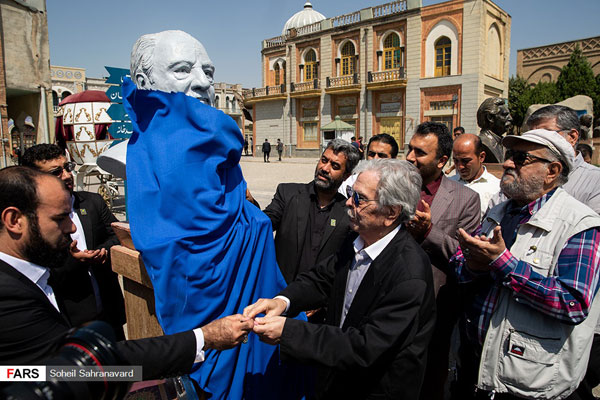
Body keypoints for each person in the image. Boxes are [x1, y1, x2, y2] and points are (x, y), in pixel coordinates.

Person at [119, 30, 307, 399]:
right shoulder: (126, 157)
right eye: (182, 69)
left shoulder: (223, 156)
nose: (203, 82)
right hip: (201, 332)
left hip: (257, 324)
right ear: (144, 82)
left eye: (208, 70)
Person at [0, 166, 252, 380]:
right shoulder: (8, 297)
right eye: (60, 218)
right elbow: (82, 371)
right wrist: (204, 337)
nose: (72, 227)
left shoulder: (31, 275)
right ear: (14, 220)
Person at [245, 159, 436, 400]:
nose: (347, 202)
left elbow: (366, 347)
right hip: (335, 379)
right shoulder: (356, 239)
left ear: (391, 212)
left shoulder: (409, 275)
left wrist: (289, 332)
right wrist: (283, 302)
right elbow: (322, 278)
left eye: (359, 198)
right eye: (349, 193)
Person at [452, 129, 600, 399]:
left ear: (552, 171)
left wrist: (502, 263)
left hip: (527, 382)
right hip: (475, 367)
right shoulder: (499, 211)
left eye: (521, 158)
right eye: (510, 156)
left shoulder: (579, 223)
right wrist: (473, 264)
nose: (507, 163)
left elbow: (573, 303)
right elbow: (461, 264)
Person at [526, 105, 600, 400]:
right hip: (527, 300)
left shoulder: (594, 181)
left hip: (574, 306)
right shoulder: (526, 175)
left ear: (572, 136)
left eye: (543, 133)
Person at [404, 122, 480, 400]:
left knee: (430, 381)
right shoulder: (392, 185)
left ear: (442, 161)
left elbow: (467, 255)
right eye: (410, 149)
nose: (410, 157)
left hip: (436, 308)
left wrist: (428, 232)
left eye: (420, 153)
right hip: (388, 300)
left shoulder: (466, 199)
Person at [21, 144, 126, 339]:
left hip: (108, 312)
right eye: (56, 172)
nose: (67, 175)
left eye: (68, 167)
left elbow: (116, 234)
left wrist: (102, 251)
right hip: (69, 319)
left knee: (121, 368)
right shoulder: (30, 220)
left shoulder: (92, 202)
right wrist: (73, 260)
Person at [263, 139, 360, 285]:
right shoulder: (288, 194)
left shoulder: (348, 212)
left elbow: (346, 265)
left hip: (318, 304)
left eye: (334, 166)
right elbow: (263, 223)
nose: (325, 168)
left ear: (346, 176)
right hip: (277, 294)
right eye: (324, 160)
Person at [527, 105, 600, 214]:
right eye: (531, 135)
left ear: (572, 137)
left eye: (546, 134)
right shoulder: (522, 172)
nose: (536, 141)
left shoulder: (595, 180)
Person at [449, 133, 500, 218]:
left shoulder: (496, 189)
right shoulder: (447, 184)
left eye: (465, 161)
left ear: (481, 157)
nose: (460, 166)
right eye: (456, 161)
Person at [338, 133, 398, 197]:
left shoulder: (399, 185)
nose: (375, 158)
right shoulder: (350, 183)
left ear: (393, 159)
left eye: (381, 155)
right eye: (371, 154)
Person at [476, 97, 513, 163]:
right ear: (490, 118)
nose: (510, 118)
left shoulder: (504, 144)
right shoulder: (482, 144)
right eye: (504, 115)